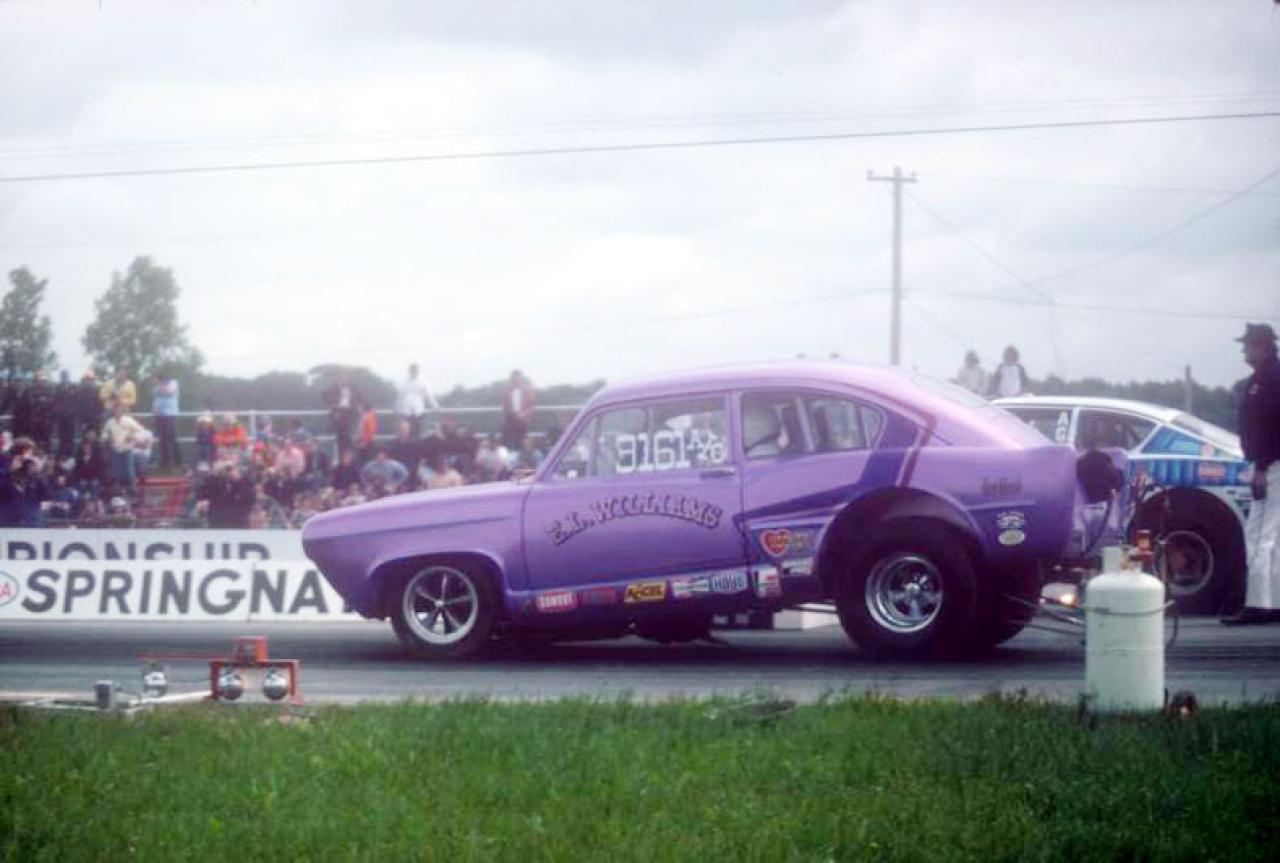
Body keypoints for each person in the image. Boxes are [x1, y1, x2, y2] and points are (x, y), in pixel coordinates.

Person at [1222, 323, 1280, 625]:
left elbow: (1273, 427)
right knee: (1274, 537)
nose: (1244, 350)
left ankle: (1258, 604)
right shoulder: (1265, 378)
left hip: (1269, 465)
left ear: (1263, 347)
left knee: (1258, 535)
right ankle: (1273, 602)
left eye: (1248, 345)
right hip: (1270, 463)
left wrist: (1261, 466)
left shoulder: (1270, 380)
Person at [101, 400, 145, 496]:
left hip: (127, 449)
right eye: (116, 410)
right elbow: (103, 435)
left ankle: (132, 489)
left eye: (120, 410)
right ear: (113, 411)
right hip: (115, 450)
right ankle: (118, 490)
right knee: (117, 471)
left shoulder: (129, 420)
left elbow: (141, 430)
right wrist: (108, 438)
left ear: (122, 411)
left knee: (129, 470)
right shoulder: (109, 423)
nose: (118, 412)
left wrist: (132, 436)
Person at [396, 363, 439, 439]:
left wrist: (435, 406)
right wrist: (396, 407)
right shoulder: (404, 382)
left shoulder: (423, 381)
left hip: (418, 412)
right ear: (409, 371)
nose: (413, 372)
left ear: (418, 371)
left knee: (418, 435)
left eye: (415, 370)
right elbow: (400, 396)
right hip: (406, 413)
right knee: (406, 435)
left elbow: (429, 395)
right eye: (412, 370)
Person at [150, 371, 182, 469]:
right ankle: (164, 461)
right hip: (160, 415)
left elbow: (169, 392)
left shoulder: (173, 383)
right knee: (162, 438)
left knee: (171, 437)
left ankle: (177, 460)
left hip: (170, 414)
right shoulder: (156, 387)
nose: (153, 381)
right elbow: (156, 398)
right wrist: (155, 410)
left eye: (155, 379)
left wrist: (160, 385)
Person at [501, 370, 536, 450]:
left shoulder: (528, 390)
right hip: (510, 419)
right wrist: (506, 416)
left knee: (523, 444)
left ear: (522, 379)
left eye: (519, 379)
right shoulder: (506, 391)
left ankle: (523, 454)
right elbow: (504, 406)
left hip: (523, 420)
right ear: (511, 379)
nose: (517, 381)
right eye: (515, 379)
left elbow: (532, 406)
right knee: (508, 443)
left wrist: (523, 414)